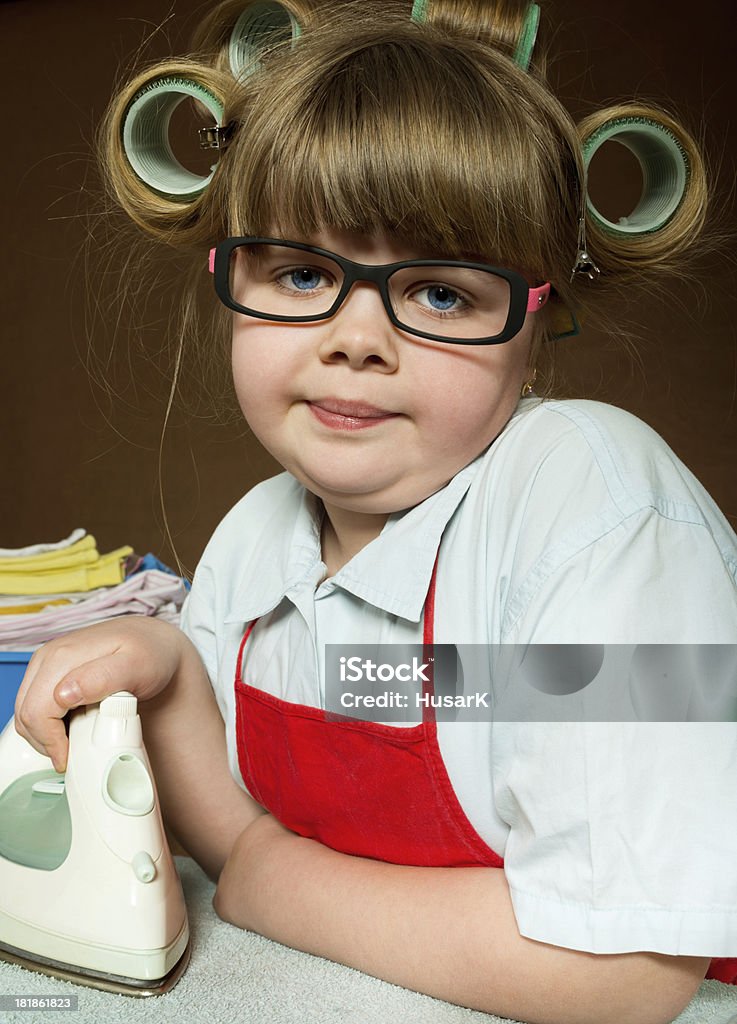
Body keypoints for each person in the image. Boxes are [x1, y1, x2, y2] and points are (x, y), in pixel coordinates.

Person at [13, 2, 737, 1021]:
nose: (357, 339)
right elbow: (360, 735)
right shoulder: (259, 537)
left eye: (440, 293)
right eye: (302, 273)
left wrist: (270, 877)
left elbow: (622, 972)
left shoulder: (597, 505)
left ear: (534, 323)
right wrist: (171, 668)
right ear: (232, 277)